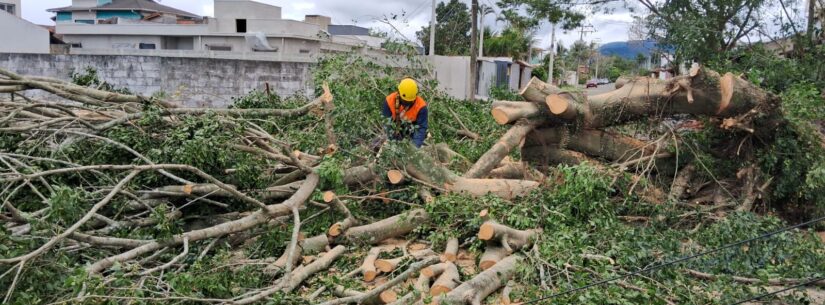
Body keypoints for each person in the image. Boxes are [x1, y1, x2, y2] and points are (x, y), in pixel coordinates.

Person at [381, 78, 428, 148]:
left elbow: (421, 128)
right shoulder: (389, 101)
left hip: (412, 130)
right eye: (405, 101)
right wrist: (393, 142)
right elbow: (387, 124)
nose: (407, 103)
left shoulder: (421, 106)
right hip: (395, 127)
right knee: (377, 143)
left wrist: (414, 147)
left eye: (410, 101)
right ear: (399, 93)